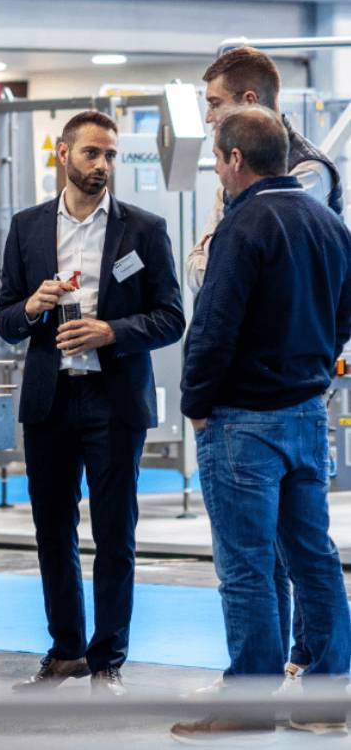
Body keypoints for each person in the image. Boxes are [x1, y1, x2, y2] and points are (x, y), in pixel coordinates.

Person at [172, 106, 351, 743]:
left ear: (235, 160)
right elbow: (344, 316)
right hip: (307, 414)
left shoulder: (242, 225)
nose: (218, 170)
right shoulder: (327, 222)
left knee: (246, 566)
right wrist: (310, 371)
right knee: (313, 558)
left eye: (218, 159)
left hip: (242, 422)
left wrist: (195, 402)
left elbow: (214, 328)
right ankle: (329, 695)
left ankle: (248, 704)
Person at [0, 109, 185, 695]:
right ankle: (67, 652)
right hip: (50, 402)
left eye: (110, 155)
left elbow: (171, 317)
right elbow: (6, 321)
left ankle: (108, 662)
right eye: (91, 154)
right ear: (62, 153)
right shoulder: (27, 227)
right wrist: (31, 307)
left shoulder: (144, 230)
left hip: (113, 400)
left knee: (115, 535)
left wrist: (111, 332)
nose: (102, 166)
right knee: (52, 531)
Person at [187, 46, 343, 296]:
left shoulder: (309, 170)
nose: (209, 117)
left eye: (215, 104)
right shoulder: (232, 169)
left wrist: (212, 259)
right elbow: (198, 273)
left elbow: (252, 270)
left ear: (250, 101)